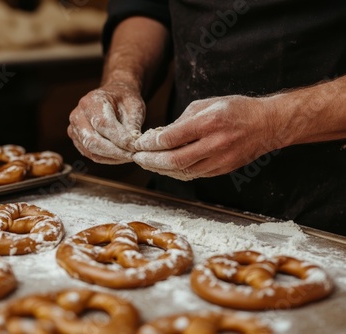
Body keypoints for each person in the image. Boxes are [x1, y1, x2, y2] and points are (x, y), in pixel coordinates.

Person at [67, 0, 346, 236]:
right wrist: (122, 78)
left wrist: (274, 122)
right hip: (181, 199)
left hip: (326, 209)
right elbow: (147, 5)